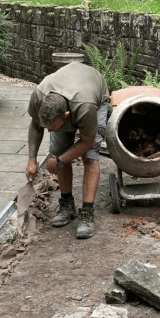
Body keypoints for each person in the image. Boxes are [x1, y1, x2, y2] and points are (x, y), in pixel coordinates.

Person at [26, 62, 110, 239]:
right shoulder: (38, 97)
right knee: (59, 151)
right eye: (47, 126)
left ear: (65, 116)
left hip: (94, 94)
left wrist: (60, 161)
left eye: (53, 127)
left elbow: (87, 142)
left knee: (90, 157)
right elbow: (35, 126)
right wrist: (32, 159)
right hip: (69, 93)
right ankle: (67, 205)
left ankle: (87, 214)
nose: (49, 131)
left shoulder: (85, 108)